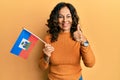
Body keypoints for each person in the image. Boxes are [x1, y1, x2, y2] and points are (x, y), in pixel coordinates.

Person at [39, 2, 95, 80]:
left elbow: (90, 64)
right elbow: (41, 67)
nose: (65, 20)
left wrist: (84, 41)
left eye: (68, 16)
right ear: (56, 19)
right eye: (61, 16)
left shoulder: (79, 37)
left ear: (73, 18)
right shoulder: (48, 38)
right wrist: (46, 57)